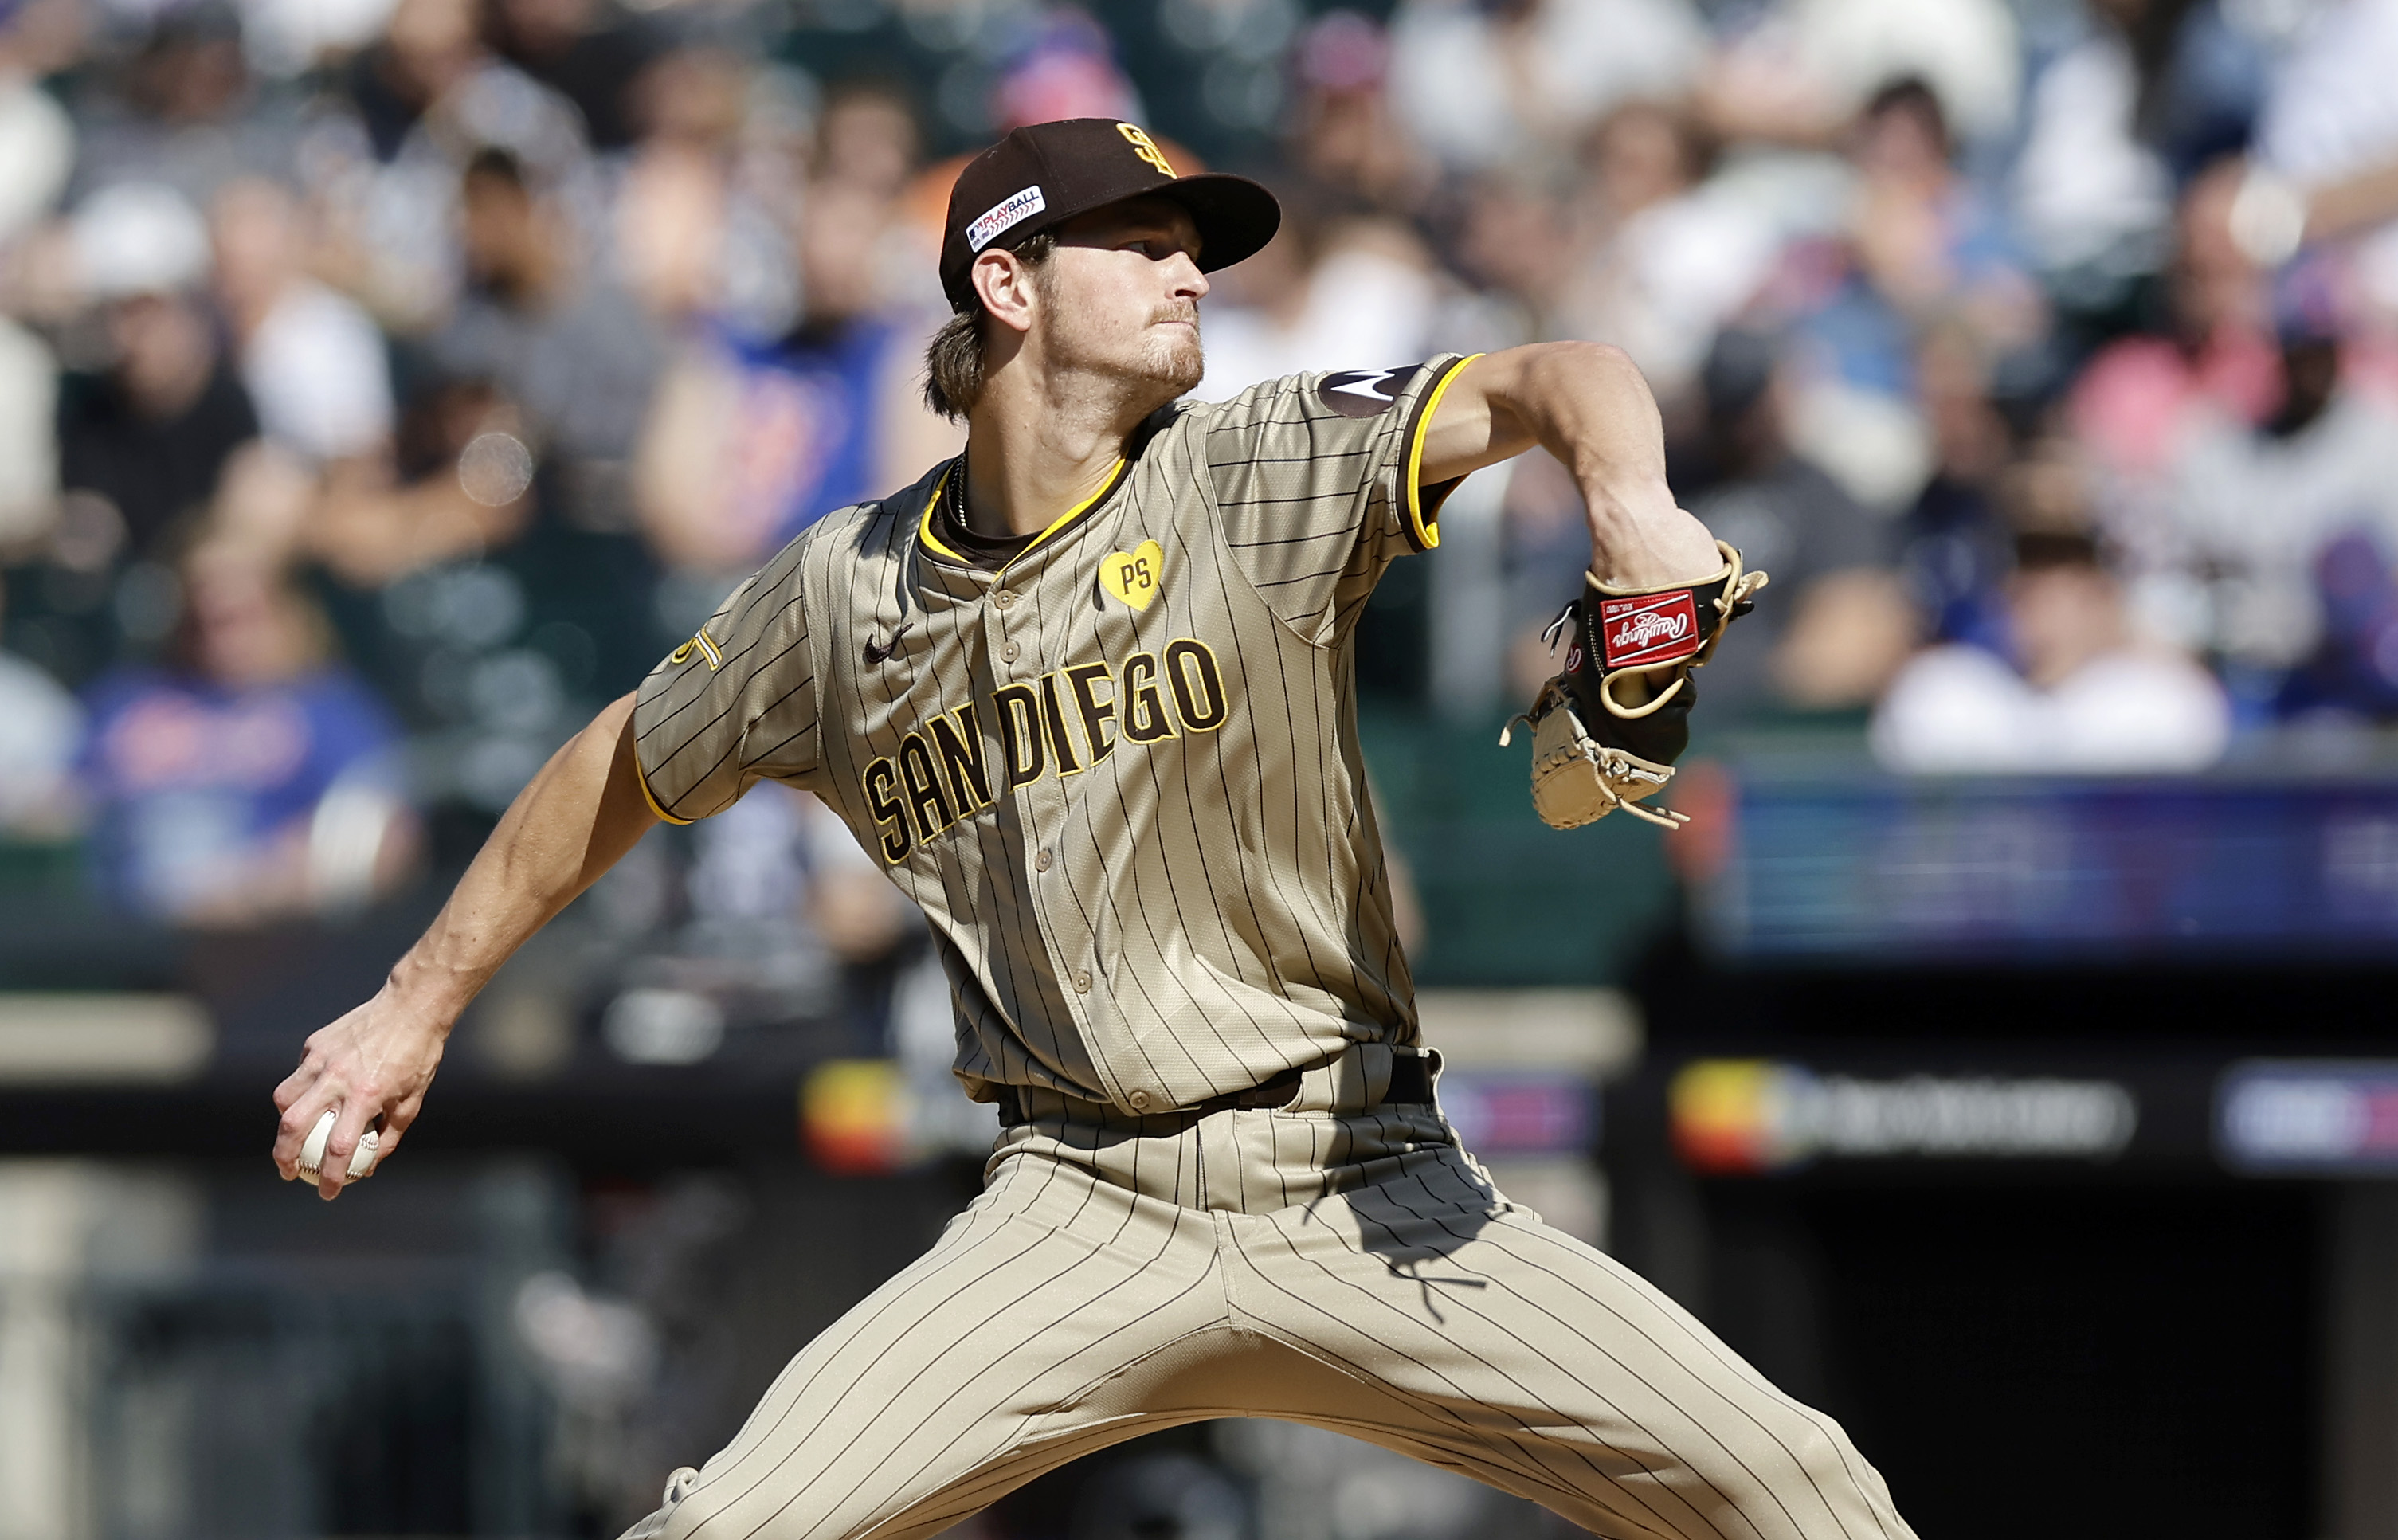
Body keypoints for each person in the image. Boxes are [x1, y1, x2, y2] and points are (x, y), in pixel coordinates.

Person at [272, 118, 1916, 1540]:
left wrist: (1630, 507)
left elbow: (1564, 377)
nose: (1187, 273)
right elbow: (621, 759)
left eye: (1192, 249)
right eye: (1139, 245)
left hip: (1359, 1172)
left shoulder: (1253, 465)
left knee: (1796, 1491)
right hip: (1075, 1208)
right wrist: (413, 1003)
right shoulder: (841, 596)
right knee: (725, 1521)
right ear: (1006, 283)